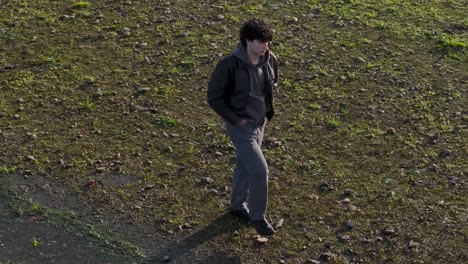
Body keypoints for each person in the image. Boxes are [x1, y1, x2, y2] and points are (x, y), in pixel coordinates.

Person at [207, 18, 279, 236]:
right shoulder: (229, 64)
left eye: (268, 41)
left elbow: (273, 82)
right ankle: (258, 216)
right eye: (262, 41)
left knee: (245, 165)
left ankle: (237, 206)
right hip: (240, 125)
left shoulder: (270, 59)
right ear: (248, 40)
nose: (266, 46)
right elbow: (214, 97)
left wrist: (267, 106)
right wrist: (236, 120)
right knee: (259, 169)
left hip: (260, 122)